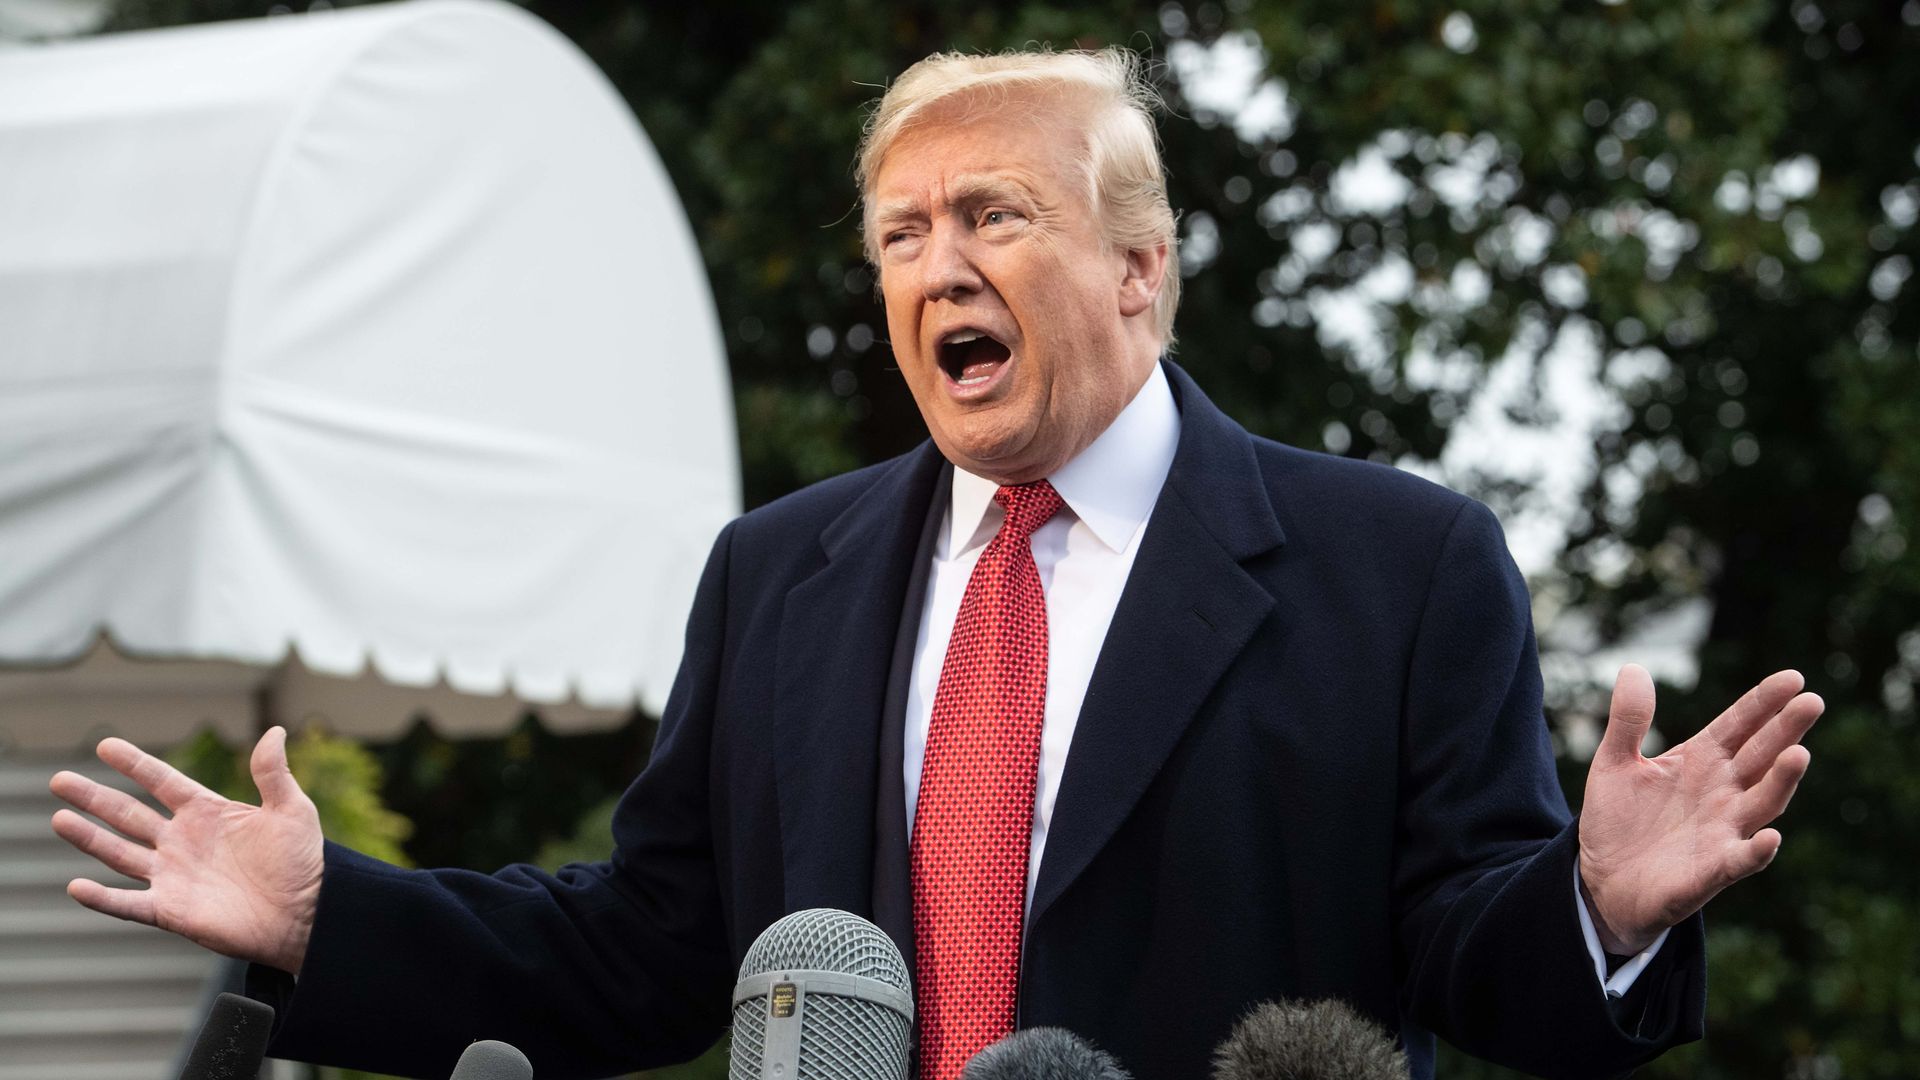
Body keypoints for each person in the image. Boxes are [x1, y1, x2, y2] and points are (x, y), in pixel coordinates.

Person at [48, 49, 1821, 1080]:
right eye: (902, 234)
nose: (934, 266)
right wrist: (327, 915)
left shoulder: (1401, 564)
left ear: (1140, 270)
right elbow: (649, 945)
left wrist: (1592, 912)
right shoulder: (778, 573)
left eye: (993, 215)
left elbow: (1465, 958)